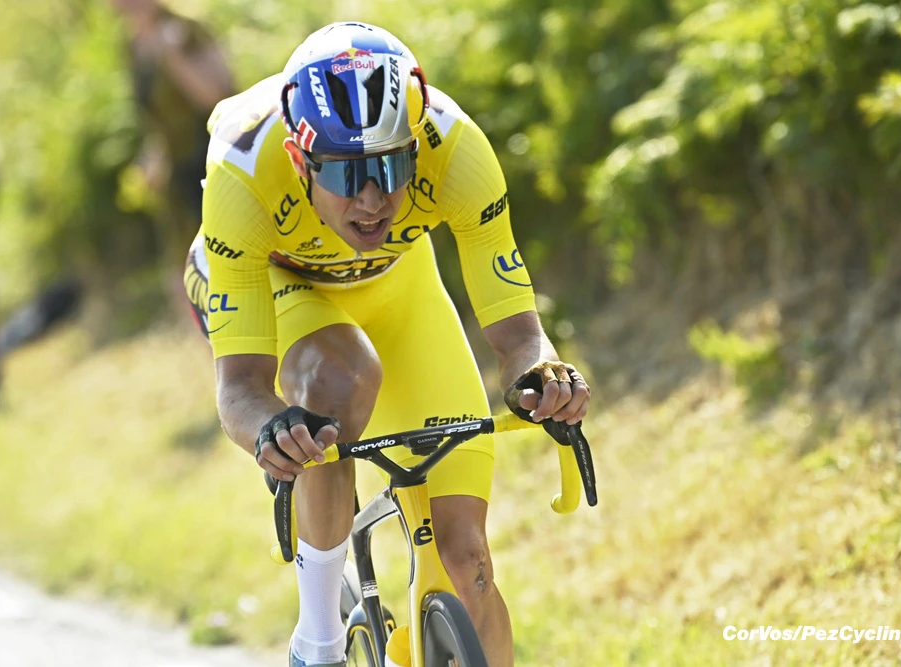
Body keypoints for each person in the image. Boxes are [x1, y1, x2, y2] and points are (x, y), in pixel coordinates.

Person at [184, 22, 590, 667]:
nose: (374, 200)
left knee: (468, 563)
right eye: (348, 176)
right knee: (339, 378)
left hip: (400, 288)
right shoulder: (243, 175)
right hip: (279, 282)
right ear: (299, 160)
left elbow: (518, 331)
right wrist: (274, 428)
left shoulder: (455, 148)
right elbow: (240, 391)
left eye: (392, 166)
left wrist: (543, 374)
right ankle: (316, 640)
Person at [111, 0, 235, 266]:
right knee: (189, 273)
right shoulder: (131, 46)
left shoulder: (186, 30)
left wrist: (172, 57)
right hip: (180, 177)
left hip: (219, 161)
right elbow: (157, 118)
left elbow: (217, 95)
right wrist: (152, 156)